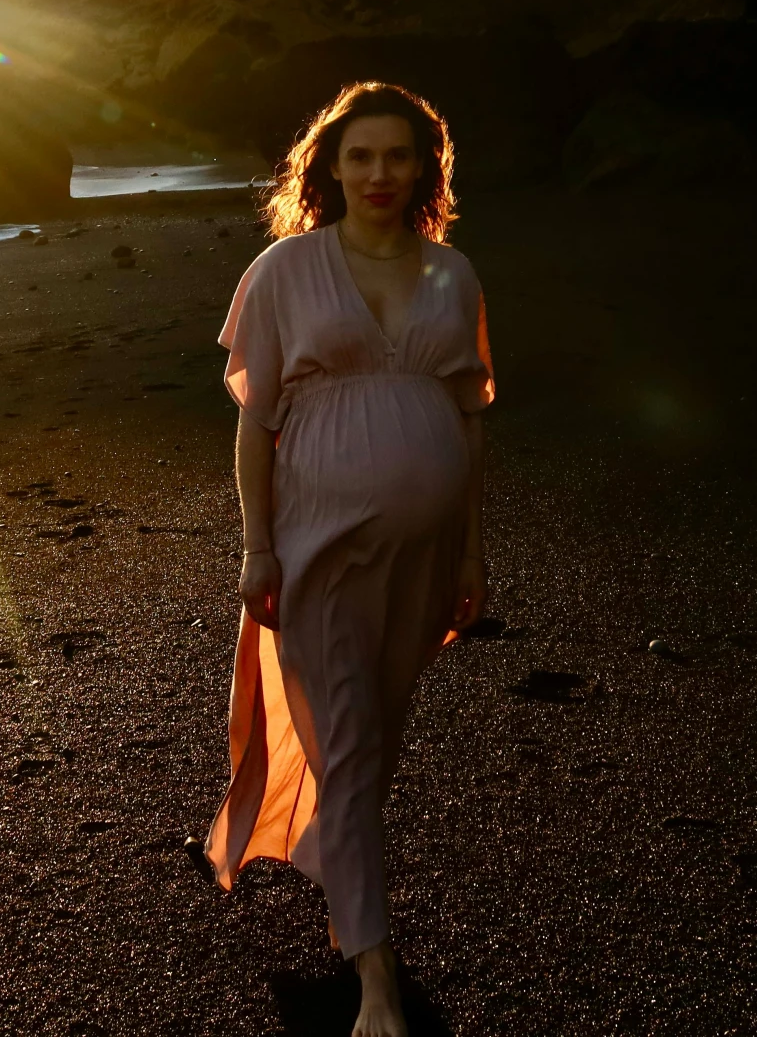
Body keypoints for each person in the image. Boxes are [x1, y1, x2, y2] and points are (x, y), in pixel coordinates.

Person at [204, 81, 493, 1037]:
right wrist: (255, 546)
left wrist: (471, 552)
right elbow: (255, 425)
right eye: (359, 156)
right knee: (354, 750)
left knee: (373, 749)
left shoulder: (454, 275)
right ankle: (377, 983)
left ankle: (347, 898)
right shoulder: (287, 269)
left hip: (424, 558)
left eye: (397, 156)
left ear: (425, 170)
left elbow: (468, 419)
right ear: (329, 166)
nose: (377, 174)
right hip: (316, 550)